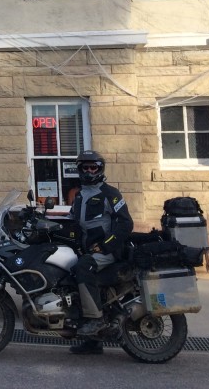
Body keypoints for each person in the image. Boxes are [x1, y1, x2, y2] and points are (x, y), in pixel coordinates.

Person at [68, 149, 134, 355]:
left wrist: (106, 245)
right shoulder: (79, 195)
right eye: (85, 167)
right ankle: (92, 342)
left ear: (100, 169)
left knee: (83, 268)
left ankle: (96, 320)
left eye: (92, 167)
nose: (89, 171)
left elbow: (125, 224)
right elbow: (74, 222)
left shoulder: (110, 194)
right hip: (88, 249)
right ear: (79, 169)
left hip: (109, 250)